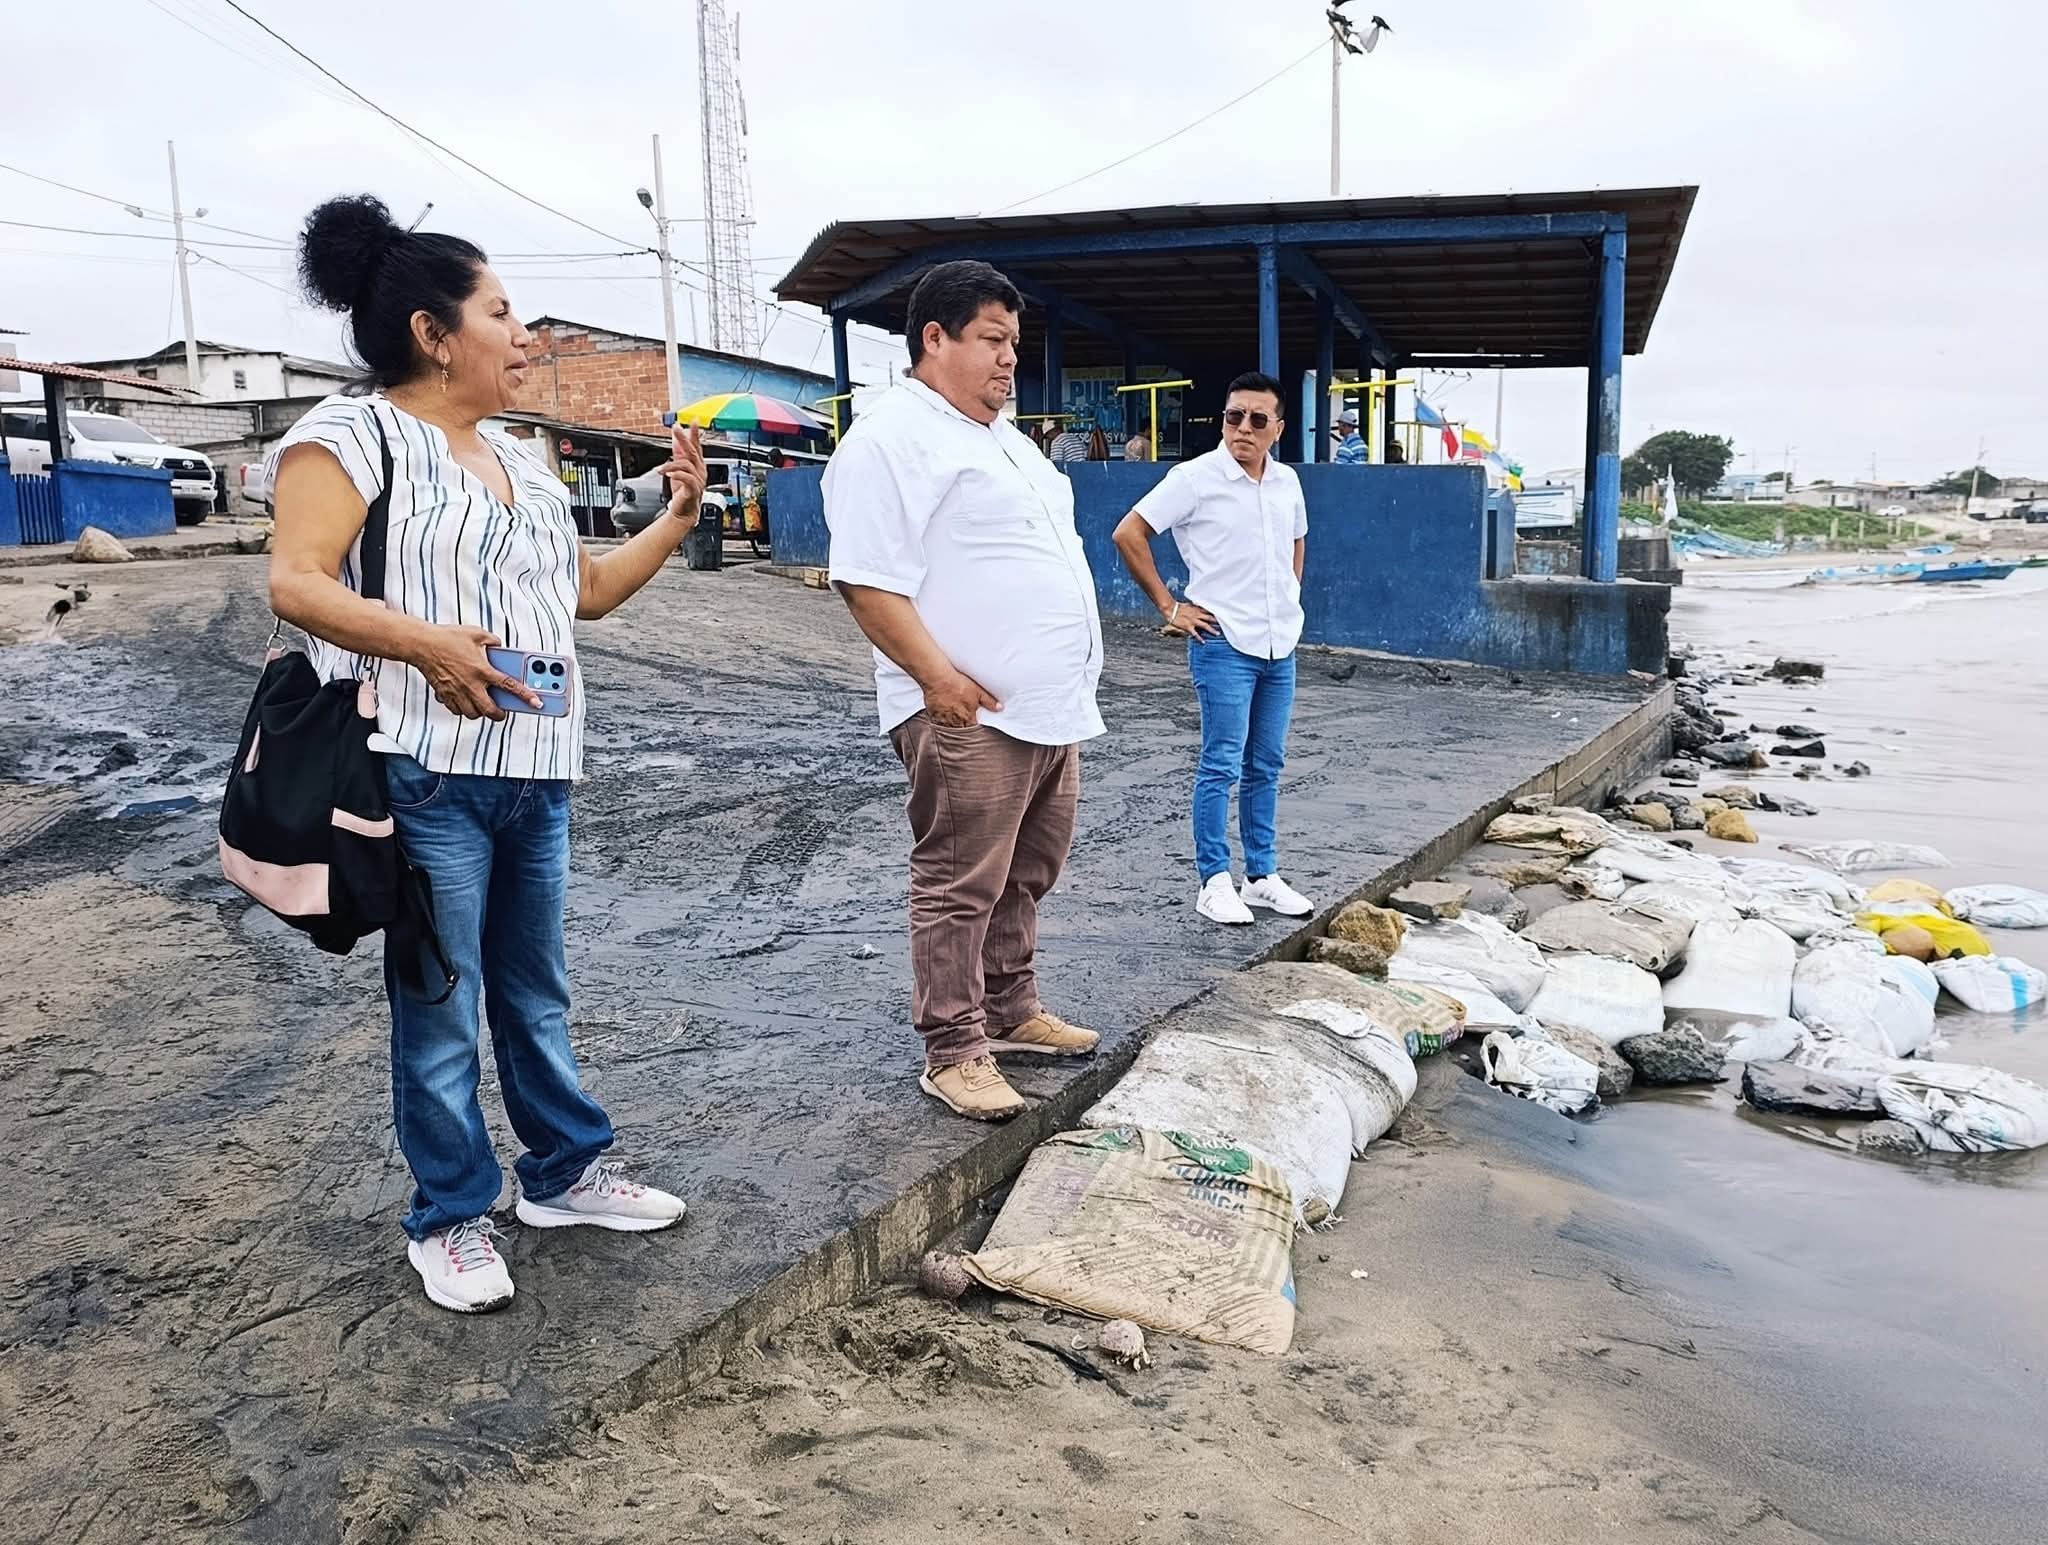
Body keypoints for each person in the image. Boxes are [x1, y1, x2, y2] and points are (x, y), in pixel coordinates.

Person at [267, 195, 702, 1314]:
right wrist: (422, 641)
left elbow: (585, 593)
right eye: (501, 314)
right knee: (441, 1002)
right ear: (432, 332)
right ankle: (451, 1213)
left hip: (538, 771)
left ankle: (561, 1175)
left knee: (535, 991)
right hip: (424, 769)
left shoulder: (524, 460)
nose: (524, 335)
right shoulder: (351, 435)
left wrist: (675, 519)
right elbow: (296, 582)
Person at [824, 260, 1103, 1122]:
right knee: (959, 880)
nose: (1009, 358)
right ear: (934, 338)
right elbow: (865, 579)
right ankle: (953, 1047)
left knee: (1028, 869)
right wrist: (938, 681)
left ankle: (1011, 1009)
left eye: (1014, 341)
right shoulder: (890, 439)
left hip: (1047, 710)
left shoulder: (1005, 440)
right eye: (992, 339)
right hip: (966, 711)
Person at [1111, 371, 1315, 926]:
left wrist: (1290, 597)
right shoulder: (1194, 478)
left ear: (1278, 428)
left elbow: (1297, 540)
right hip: (1223, 642)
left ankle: (1261, 876)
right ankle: (1214, 881)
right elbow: (1129, 533)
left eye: (1257, 419)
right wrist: (1169, 607)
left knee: (1266, 763)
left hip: (1279, 644)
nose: (1243, 428)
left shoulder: (1287, 482)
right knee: (1221, 763)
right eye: (1233, 416)